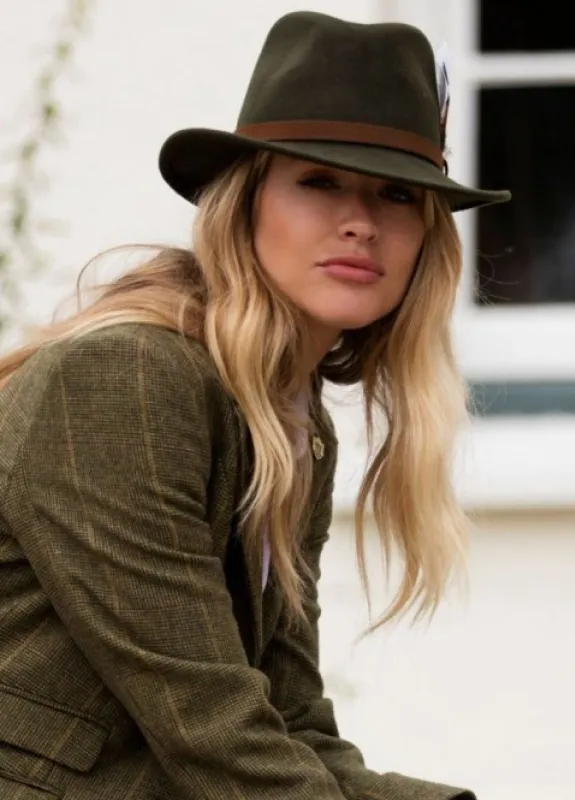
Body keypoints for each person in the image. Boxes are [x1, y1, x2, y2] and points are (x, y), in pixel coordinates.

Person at [0, 10, 510, 800]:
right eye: (319, 182)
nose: (360, 223)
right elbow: (210, 727)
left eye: (397, 195)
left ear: (426, 239)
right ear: (245, 202)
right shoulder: (125, 377)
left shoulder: (292, 422)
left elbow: (291, 720)